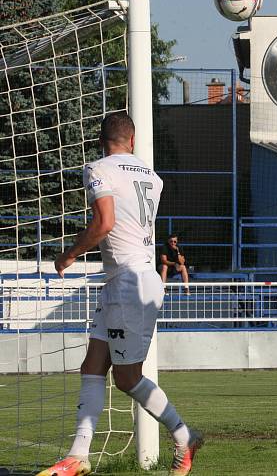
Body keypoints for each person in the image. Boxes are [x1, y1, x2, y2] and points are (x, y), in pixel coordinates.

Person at [42, 112, 202, 476]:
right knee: (92, 365)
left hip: (129, 282)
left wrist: (69, 253)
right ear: (132, 141)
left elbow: (106, 222)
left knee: (127, 378)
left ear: (102, 142)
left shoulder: (99, 169)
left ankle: (183, 435)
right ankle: (78, 455)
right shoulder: (152, 177)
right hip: (127, 280)